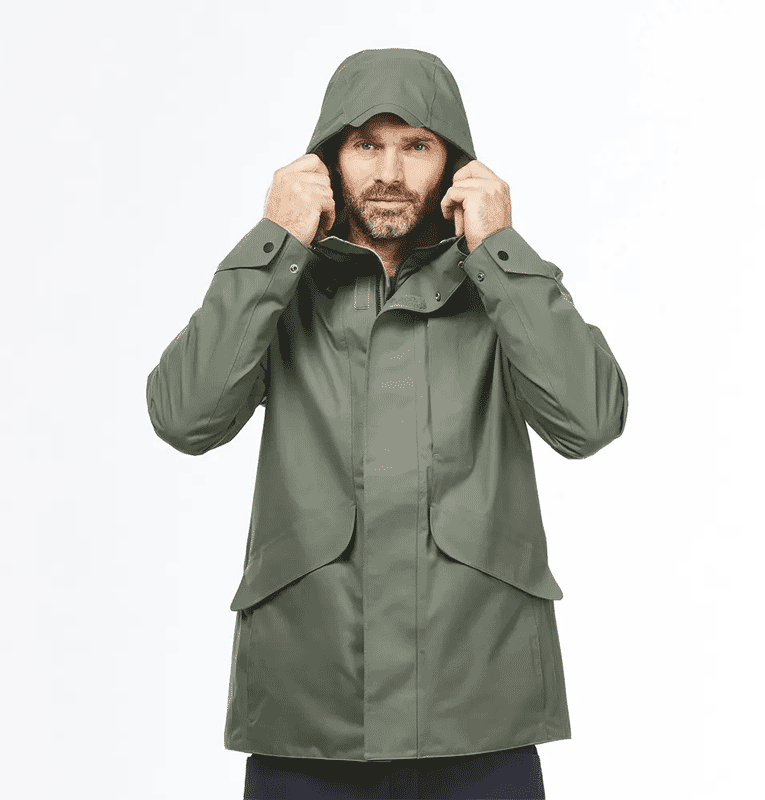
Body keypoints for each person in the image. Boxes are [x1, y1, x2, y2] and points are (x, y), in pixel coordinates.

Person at [146, 47, 628, 799]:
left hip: (479, 713)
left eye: (417, 146)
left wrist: (501, 251)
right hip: (309, 712)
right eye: (367, 145)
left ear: (455, 163)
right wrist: (273, 240)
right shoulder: (285, 284)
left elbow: (590, 419)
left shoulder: (496, 285)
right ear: (329, 159)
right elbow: (185, 416)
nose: (391, 173)